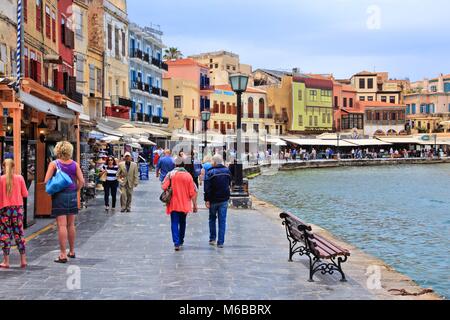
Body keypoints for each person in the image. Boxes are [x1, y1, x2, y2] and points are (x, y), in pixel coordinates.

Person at [44, 141, 84, 264]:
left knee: (61, 225)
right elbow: (82, 181)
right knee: (71, 224)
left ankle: (62, 254)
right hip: (72, 195)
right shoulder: (75, 164)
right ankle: (71, 251)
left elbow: (46, 180)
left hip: (59, 195)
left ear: (58, 150)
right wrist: (76, 190)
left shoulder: (54, 164)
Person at [162, 157, 198, 251]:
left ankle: (176, 243)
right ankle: (181, 240)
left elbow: (164, 186)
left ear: (175, 165)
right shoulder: (188, 176)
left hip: (174, 203)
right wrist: (195, 205)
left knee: (174, 222)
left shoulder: (171, 174)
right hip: (184, 204)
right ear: (184, 165)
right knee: (182, 222)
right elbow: (192, 192)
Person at [0, 159, 29, 269]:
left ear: (3, 167)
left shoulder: (0, 179)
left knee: (5, 235)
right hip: (17, 211)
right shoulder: (20, 178)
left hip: (4, 210)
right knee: (19, 233)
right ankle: (23, 260)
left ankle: (6, 262)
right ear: (14, 167)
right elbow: (25, 194)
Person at [204, 155, 232, 248]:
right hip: (224, 199)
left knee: (212, 219)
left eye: (212, 161)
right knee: (222, 220)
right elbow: (229, 183)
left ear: (215, 162)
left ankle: (212, 238)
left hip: (213, 200)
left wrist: (207, 200)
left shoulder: (210, 172)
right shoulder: (227, 171)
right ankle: (220, 242)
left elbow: (207, 188)